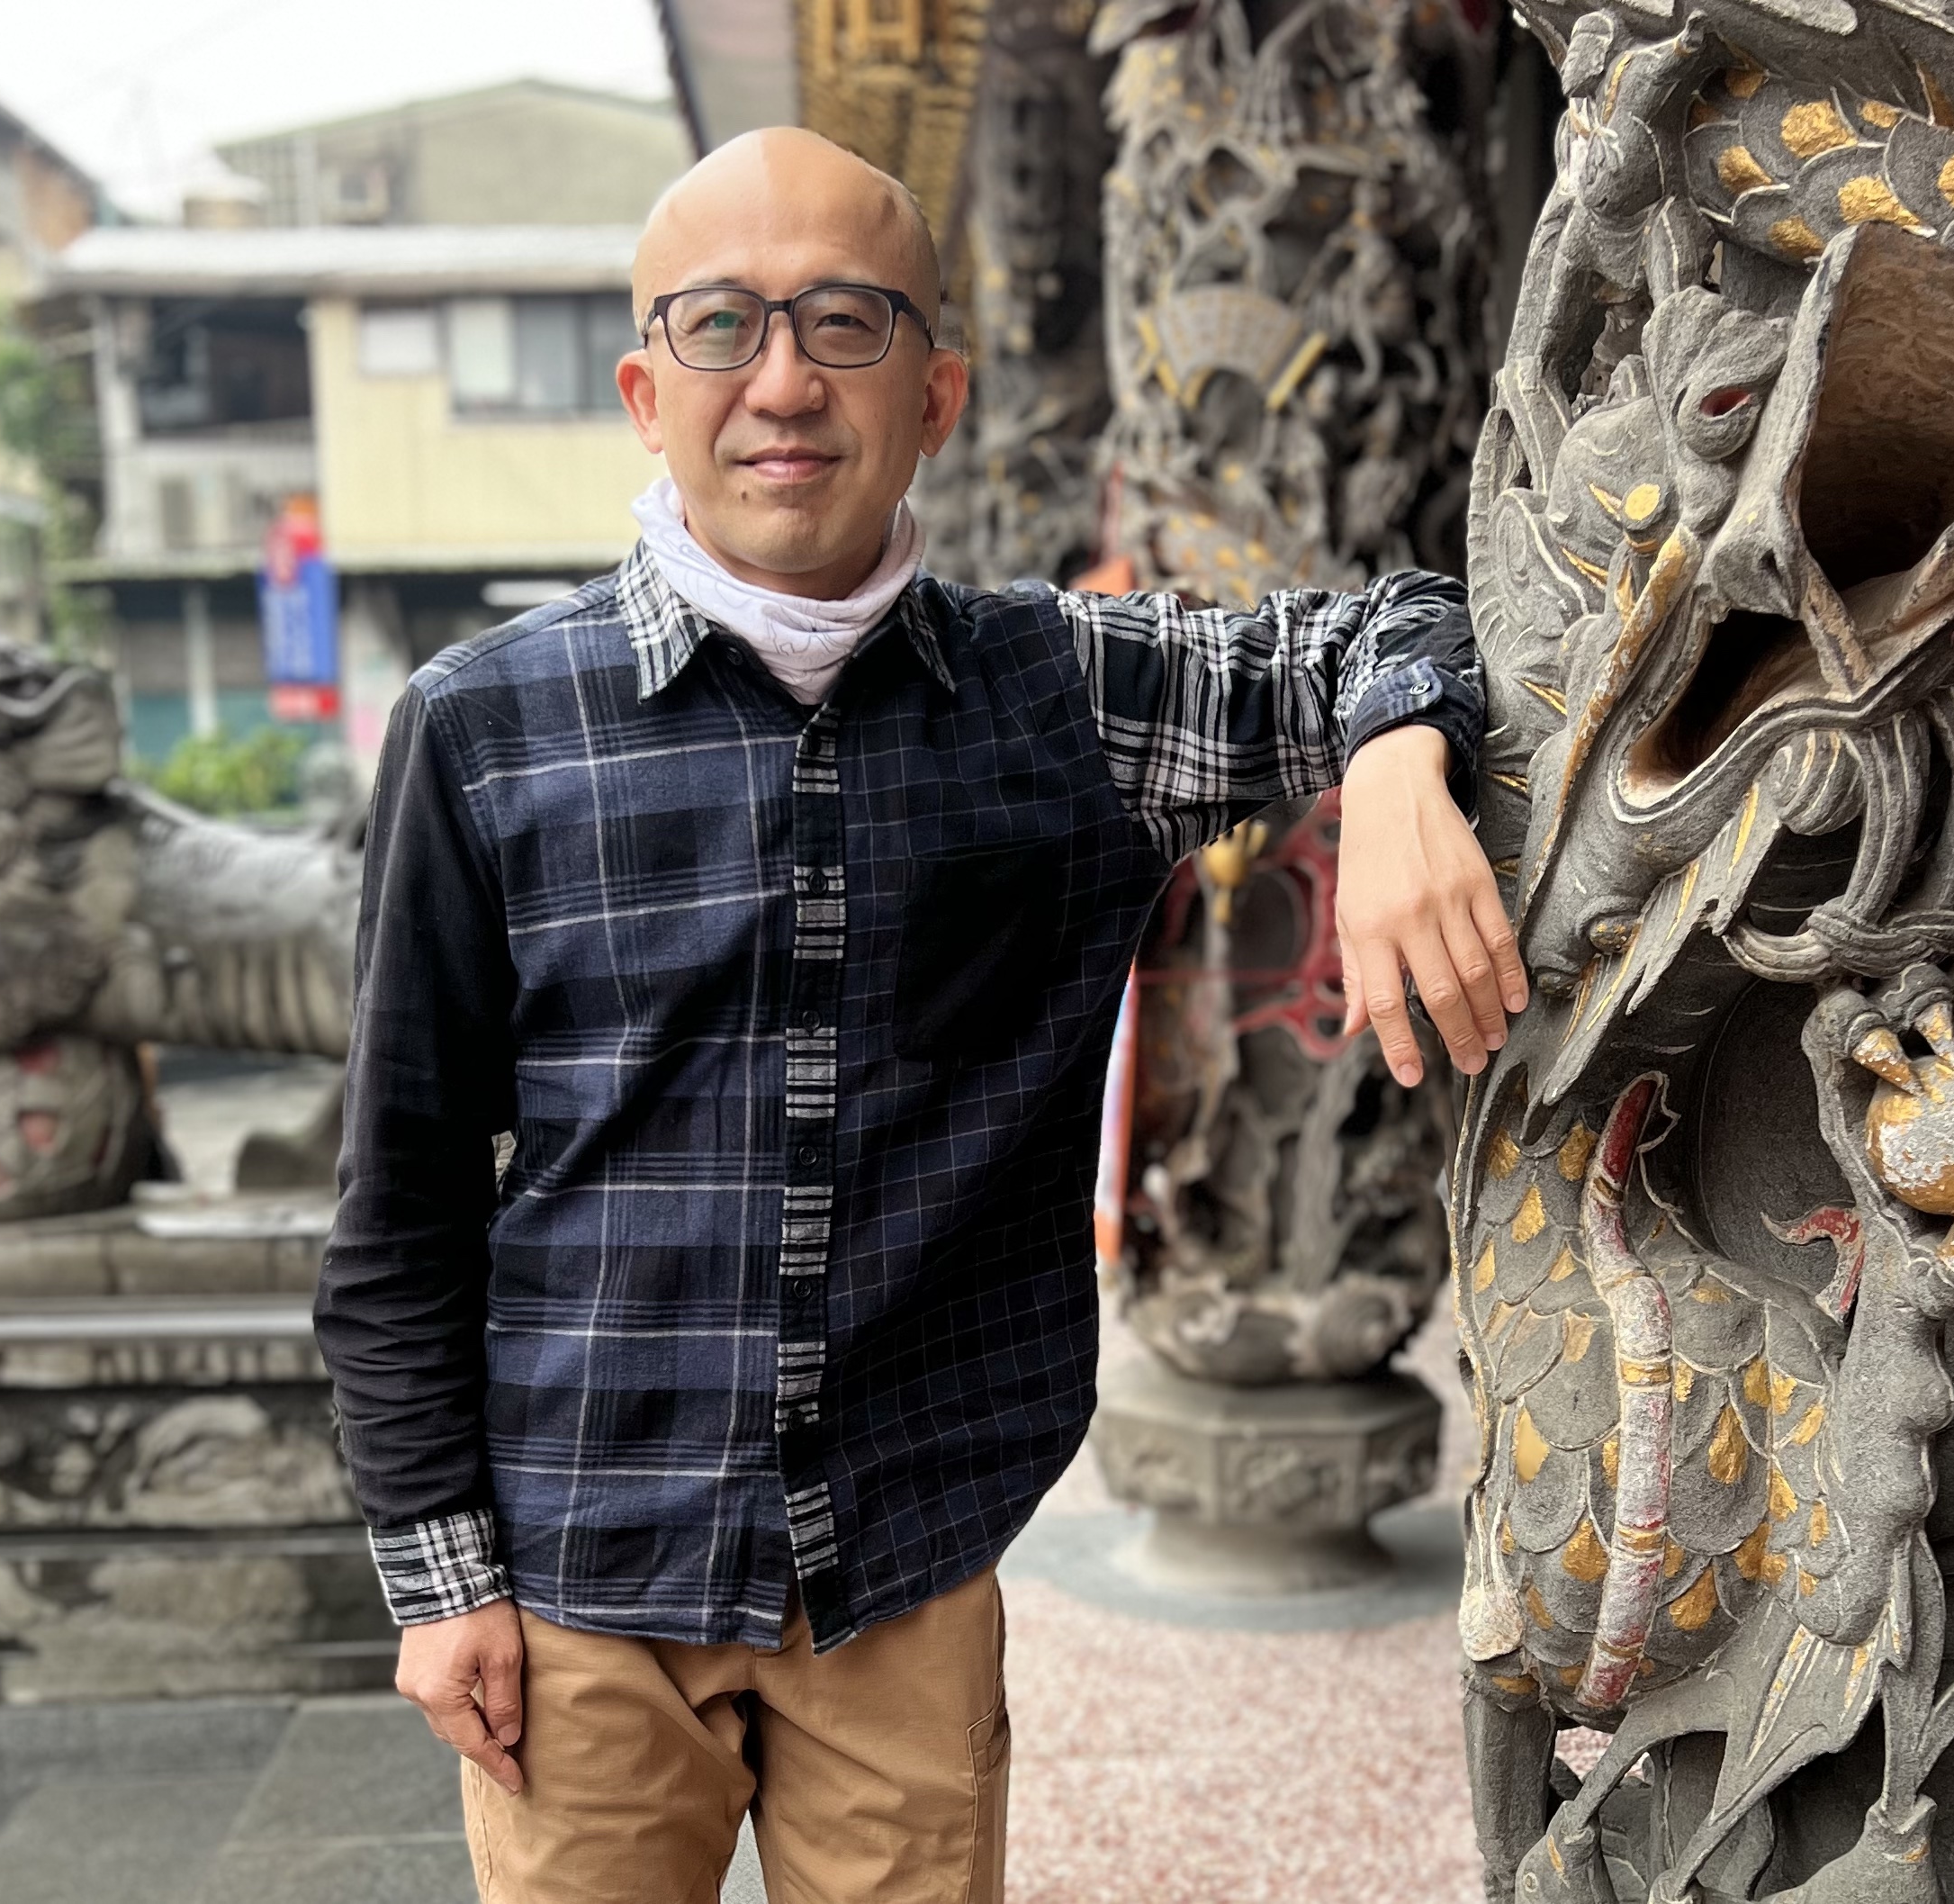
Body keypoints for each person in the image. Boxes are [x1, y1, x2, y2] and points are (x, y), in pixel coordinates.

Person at [314, 126, 1523, 1904]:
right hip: (580, 1575)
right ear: (647, 390)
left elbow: (1398, 623)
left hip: (905, 1562)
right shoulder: (487, 729)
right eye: (724, 327)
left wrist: (1406, 761)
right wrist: (438, 1582)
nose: (785, 380)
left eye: (848, 322)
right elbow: (399, 1200)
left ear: (938, 389)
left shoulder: (1063, 696)